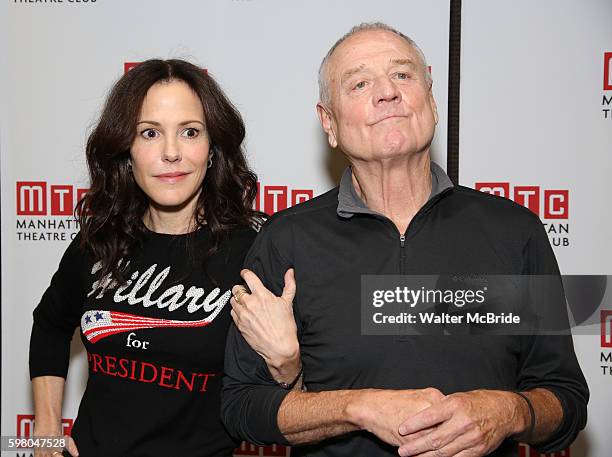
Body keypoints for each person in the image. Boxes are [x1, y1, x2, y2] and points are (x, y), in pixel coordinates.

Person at [221, 22, 589, 457]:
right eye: (359, 83)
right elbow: (242, 406)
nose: (387, 93)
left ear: (431, 103)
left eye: (402, 75)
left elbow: (565, 400)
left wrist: (510, 412)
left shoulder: (514, 232)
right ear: (329, 123)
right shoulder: (288, 240)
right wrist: (357, 407)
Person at [28, 59, 298, 457]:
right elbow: (50, 325)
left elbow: (293, 398)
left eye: (190, 132)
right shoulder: (100, 241)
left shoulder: (255, 250)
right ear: (126, 150)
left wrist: (288, 364)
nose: (171, 153)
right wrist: (47, 425)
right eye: (150, 133)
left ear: (212, 149)